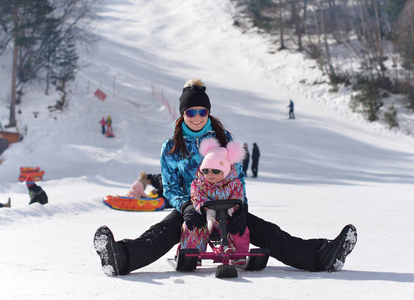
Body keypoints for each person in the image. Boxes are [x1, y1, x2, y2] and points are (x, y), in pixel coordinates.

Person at [93, 78, 357, 277]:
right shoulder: (171, 147)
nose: (197, 117)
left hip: (226, 204)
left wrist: (240, 207)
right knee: (160, 234)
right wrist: (186, 207)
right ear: (182, 114)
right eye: (191, 112)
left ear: (208, 113)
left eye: (202, 112)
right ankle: (120, 258)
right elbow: (171, 186)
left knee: (268, 232)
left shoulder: (223, 139)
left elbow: (238, 178)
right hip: (192, 210)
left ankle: (323, 255)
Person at [180, 137, 250, 264]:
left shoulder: (234, 184)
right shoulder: (198, 183)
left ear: (226, 170)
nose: (210, 174)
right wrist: (207, 211)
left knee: (239, 229)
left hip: (228, 217)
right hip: (205, 217)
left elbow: (239, 197)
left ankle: (238, 254)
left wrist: (232, 209)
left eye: (216, 171)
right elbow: (196, 197)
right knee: (192, 227)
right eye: (206, 170)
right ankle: (191, 254)